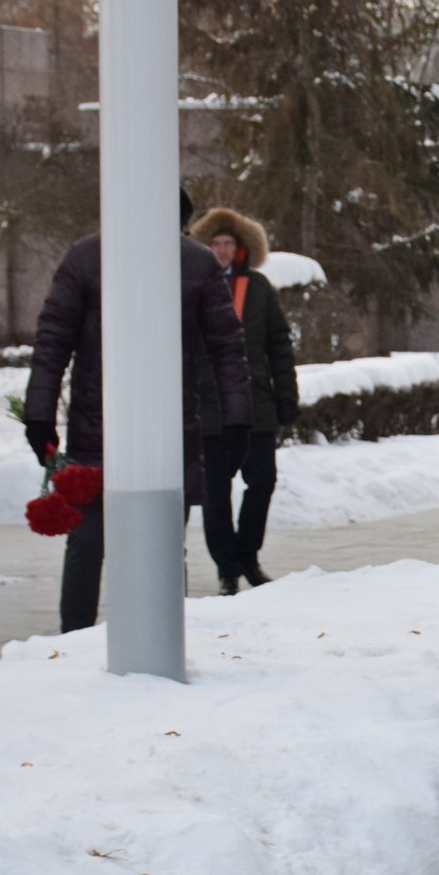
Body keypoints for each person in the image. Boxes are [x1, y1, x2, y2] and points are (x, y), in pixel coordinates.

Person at [23, 191, 253, 633]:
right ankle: (75, 642)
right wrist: (40, 415)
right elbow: (53, 340)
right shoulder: (87, 258)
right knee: (89, 541)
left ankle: (162, 637)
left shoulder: (196, 263)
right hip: (98, 430)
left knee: (163, 545)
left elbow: (228, 347)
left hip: (170, 430)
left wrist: (237, 418)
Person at [188, 206, 301, 594]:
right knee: (216, 493)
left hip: (257, 406)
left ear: (241, 248)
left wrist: (287, 395)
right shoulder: (192, 286)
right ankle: (227, 568)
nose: (221, 250)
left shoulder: (257, 288)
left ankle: (248, 555)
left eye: (228, 244)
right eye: (215, 243)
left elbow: (279, 346)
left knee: (262, 482)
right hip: (211, 410)